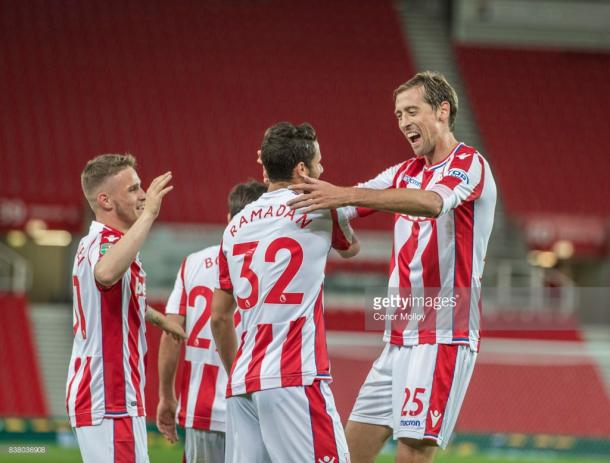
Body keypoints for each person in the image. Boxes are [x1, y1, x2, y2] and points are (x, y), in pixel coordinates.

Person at [288, 71, 497, 463]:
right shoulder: (405, 172)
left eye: (411, 111)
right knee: (347, 454)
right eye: (398, 114)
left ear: (442, 110)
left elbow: (433, 203)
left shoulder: (469, 164)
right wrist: (284, 196)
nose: (402, 122)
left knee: (412, 455)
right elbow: (344, 206)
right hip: (398, 337)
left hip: (442, 332)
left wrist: (344, 196)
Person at [211, 122, 360, 463]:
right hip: (294, 374)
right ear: (302, 169)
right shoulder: (320, 206)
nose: (323, 171)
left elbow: (219, 317)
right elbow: (351, 248)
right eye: (319, 164)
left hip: (243, 382)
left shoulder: (235, 225)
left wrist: (243, 372)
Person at [66, 154, 186, 463]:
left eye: (141, 186)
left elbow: (116, 295)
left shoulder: (98, 243)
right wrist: (149, 218)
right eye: (133, 189)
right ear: (105, 200)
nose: (144, 195)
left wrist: (161, 320)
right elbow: (105, 274)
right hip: (110, 396)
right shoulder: (106, 243)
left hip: (109, 396)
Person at [156, 180, 267, 463]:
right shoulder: (273, 264)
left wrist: (166, 395)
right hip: (255, 403)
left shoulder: (193, 263)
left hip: (202, 408)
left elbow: (171, 334)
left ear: (229, 219)